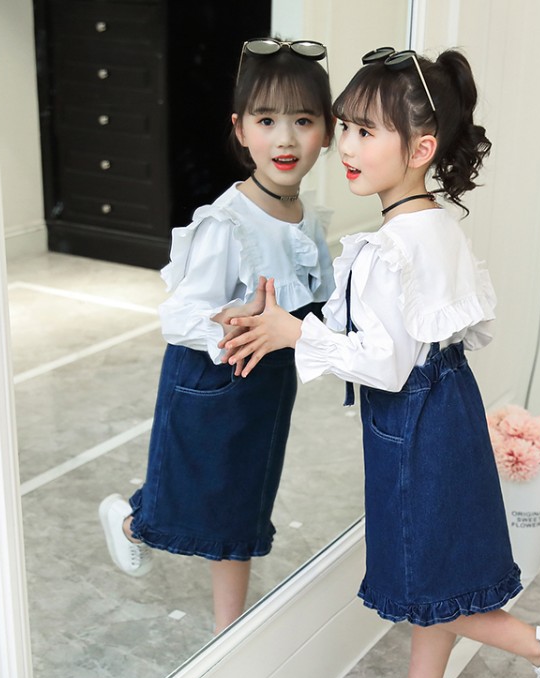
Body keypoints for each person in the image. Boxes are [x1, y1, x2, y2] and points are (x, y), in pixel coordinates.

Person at [222, 46, 540, 678]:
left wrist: (296, 335)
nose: (347, 147)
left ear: (420, 149)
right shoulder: (434, 225)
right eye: (345, 128)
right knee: (438, 564)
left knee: (421, 575)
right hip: (448, 405)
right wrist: (297, 324)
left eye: (366, 132)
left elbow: (385, 366)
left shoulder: (392, 247)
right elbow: (436, 333)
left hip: (413, 423)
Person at [99, 38, 335, 634]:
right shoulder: (228, 223)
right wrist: (228, 321)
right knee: (189, 499)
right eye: (267, 121)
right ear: (240, 130)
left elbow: (316, 303)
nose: (285, 139)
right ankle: (128, 522)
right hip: (210, 382)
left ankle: (228, 634)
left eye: (303, 121)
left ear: (328, 132)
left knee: (242, 511)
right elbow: (177, 316)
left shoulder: (304, 215)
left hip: (266, 386)